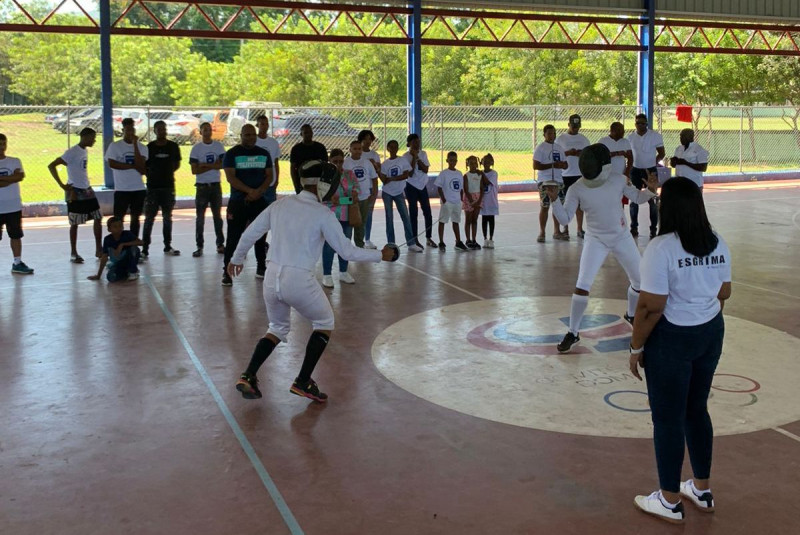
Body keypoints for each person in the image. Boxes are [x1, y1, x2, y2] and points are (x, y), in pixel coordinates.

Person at [228, 160, 397, 402]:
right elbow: (347, 252)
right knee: (324, 321)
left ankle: (248, 375)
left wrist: (236, 258)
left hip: (271, 278)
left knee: (276, 328)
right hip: (298, 280)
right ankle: (303, 380)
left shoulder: (280, 205)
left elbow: (251, 232)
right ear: (325, 185)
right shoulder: (322, 214)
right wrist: (381, 255)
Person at [630, 177, 731, 524]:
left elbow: (650, 308)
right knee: (696, 409)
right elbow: (724, 293)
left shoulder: (662, 248)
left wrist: (635, 346)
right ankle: (701, 489)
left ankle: (669, 499)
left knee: (668, 418)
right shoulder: (716, 241)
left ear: (667, 207)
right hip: (710, 333)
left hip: (673, 339)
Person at [549, 143, 659, 353]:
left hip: (621, 236)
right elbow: (565, 217)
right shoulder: (576, 188)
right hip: (595, 239)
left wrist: (651, 191)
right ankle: (573, 332)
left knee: (639, 281)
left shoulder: (618, 179)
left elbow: (637, 197)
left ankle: (631, 315)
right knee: (582, 285)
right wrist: (555, 201)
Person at [221, 124, 274, 287]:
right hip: (238, 202)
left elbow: (269, 176)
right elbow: (231, 178)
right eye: (247, 135)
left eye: (253, 135)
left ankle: (261, 267)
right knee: (233, 238)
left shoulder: (263, 153)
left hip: (259, 201)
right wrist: (250, 191)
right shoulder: (232, 154)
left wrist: (259, 192)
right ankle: (227, 272)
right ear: (241, 135)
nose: (250, 137)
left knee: (260, 236)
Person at [47, 127, 102, 263]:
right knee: (75, 223)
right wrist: (62, 185)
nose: (94, 140)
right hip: (75, 191)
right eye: (92, 137)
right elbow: (52, 165)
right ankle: (73, 252)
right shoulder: (72, 152)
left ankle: (98, 249)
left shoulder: (84, 151)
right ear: (85, 136)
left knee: (97, 217)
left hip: (86, 189)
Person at [142, 120, 181, 258]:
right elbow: (144, 166)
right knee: (149, 219)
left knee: (167, 217)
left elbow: (176, 164)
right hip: (153, 188)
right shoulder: (149, 147)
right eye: (159, 129)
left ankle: (167, 245)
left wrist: (166, 174)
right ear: (155, 131)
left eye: (164, 129)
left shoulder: (173, 146)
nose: (162, 131)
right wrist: (153, 175)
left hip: (168, 187)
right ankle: (145, 248)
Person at [321, 149, 360, 288]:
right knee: (329, 245)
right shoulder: (325, 177)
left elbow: (356, 193)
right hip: (331, 216)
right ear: (330, 161)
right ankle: (327, 274)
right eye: (335, 161)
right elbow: (329, 199)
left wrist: (342, 200)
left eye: (340, 161)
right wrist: (347, 199)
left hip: (347, 216)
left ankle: (343, 271)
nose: (338, 164)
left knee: (345, 243)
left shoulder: (349, 174)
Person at [106, 117, 148, 239]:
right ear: (123, 130)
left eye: (132, 130)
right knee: (118, 219)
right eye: (127, 130)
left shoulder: (142, 147)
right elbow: (112, 164)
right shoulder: (115, 146)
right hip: (121, 189)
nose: (130, 133)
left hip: (138, 189)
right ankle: (118, 243)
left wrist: (135, 145)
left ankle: (133, 243)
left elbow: (141, 167)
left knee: (135, 218)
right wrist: (132, 166)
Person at [189, 122, 226, 257]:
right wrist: (213, 165)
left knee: (217, 216)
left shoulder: (218, 146)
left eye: (209, 129)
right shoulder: (196, 149)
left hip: (215, 185)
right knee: (200, 218)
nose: (208, 132)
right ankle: (199, 246)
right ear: (200, 132)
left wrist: (204, 165)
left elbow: (223, 164)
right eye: (205, 130)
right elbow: (194, 170)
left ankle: (220, 244)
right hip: (202, 186)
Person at [0, 133, 33, 275]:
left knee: (15, 235)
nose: (2, 147)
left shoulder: (15, 161)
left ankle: (17, 262)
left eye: (4, 144)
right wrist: (10, 178)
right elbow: (15, 177)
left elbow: (20, 176)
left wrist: (4, 179)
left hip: (13, 206)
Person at [628, 113, 665, 239]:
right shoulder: (630, 137)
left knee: (652, 201)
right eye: (638, 123)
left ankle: (653, 229)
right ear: (635, 124)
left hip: (651, 171)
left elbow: (662, 153)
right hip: (635, 171)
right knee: (634, 200)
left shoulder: (655, 136)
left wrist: (652, 163)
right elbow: (629, 155)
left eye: (643, 123)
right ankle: (634, 228)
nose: (640, 125)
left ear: (647, 124)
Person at [379, 140, 420, 252]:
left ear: (397, 148)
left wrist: (392, 178)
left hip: (399, 193)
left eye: (395, 147)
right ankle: (391, 243)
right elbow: (384, 180)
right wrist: (378, 170)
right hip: (387, 193)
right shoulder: (385, 164)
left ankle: (411, 243)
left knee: (405, 216)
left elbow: (406, 175)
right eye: (391, 147)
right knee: (389, 218)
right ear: (388, 149)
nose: (393, 149)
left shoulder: (402, 160)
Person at [556, 114, 591, 239]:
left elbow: (589, 155)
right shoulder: (561, 139)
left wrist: (581, 154)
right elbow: (556, 154)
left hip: (579, 174)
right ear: (568, 125)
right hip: (565, 175)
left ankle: (579, 229)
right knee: (566, 202)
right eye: (573, 126)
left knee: (580, 204)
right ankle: (565, 229)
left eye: (577, 126)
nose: (575, 128)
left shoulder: (584, 139)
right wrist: (568, 153)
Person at [533, 124, 568, 242]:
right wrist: (552, 165)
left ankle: (557, 231)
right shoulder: (540, 148)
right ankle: (542, 232)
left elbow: (566, 164)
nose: (552, 135)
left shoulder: (559, 147)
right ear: (544, 135)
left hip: (558, 181)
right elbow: (535, 165)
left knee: (558, 206)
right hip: (545, 181)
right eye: (549, 133)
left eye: (553, 133)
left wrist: (562, 165)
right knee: (545, 206)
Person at [403, 133, 437, 250]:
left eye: (418, 141)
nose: (417, 144)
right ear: (409, 144)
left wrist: (417, 157)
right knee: (413, 212)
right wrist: (413, 158)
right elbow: (410, 173)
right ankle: (414, 238)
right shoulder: (405, 156)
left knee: (427, 211)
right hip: (411, 186)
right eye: (414, 142)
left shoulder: (423, 154)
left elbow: (426, 169)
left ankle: (428, 237)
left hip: (422, 185)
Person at [344, 140, 379, 249]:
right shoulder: (346, 162)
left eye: (359, 149)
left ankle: (359, 244)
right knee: (349, 221)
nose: (357, 151)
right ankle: (346, 245)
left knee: (362, 221)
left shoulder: (367, 163)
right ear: (350, 150)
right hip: (350, 198)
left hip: (364, 197)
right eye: (355, 149)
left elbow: (374, 178)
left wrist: (374, 193)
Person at [88, 216, 143, 283]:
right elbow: (104, 256)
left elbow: (141, 242)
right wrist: (98, 275)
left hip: (129, 259)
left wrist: (123, 244)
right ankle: (125, 271)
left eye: (120, 226)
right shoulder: (107, 239)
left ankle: (133, 271)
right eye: (115, 227)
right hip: (118, 262)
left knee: (134, 249)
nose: (118, 228)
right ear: (109, 229)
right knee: (111, 278)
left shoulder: (127, 234)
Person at [435, 152, 468, 252]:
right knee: (442, 221)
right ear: (447, 161)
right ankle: (441, 241)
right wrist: (444, 199)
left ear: (457, 161)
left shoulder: (459, 173)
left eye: (454, 160)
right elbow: (439, 187)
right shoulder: (444, 173)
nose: (453, 162)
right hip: (447, 202)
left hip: (457, 202)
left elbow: (461, 188)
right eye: (451, 160)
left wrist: (461, 199)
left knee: (456, 221)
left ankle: (458, 241)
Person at [289, 124, 327, 194]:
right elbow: (292, 169)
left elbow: (325, 166)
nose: (308, 134)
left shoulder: (320, 147)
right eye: (305, 132)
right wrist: (296, 187)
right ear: (301, 134)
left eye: (310, 132)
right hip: (303, 182)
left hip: (318, 181)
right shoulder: (296, 149)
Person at [359, 129, 381, 248]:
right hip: (358, 190)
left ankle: (367, 239)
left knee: (368, 214)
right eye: (365, 139)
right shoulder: (358, 154)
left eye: (370, 139)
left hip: (370, 188)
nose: (368, 141)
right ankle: (358, 239)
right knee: (356, 214)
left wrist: (375, 164)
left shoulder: (374, 155)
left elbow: (378, 171)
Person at [462, 155, 488, 250]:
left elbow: (482, 188)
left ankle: (474, 239)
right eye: (471, 163)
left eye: (475, 163)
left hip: (478, 198)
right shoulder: (466, 176)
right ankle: (468, 239)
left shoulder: (479, 174)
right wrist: (471, 200)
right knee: (468, 219)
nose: (473, 165)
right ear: (467, 164)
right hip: (469, 199)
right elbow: (466, 189)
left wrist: (479, 200)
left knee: (474, 219)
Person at [255, 115, 281, 191]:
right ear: (257, 125)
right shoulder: (253, 141)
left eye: (266, 124)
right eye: (262, 124)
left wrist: (276, 180)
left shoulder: (273, 142)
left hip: (271, 180)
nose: (265, 126)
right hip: (256, 180)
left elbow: (276, 163)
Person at [480, 153, 499, 249]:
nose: (486, 163)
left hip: (491, 201)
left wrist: (481, 173)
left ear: (492, 162)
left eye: (488, 161)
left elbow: (487, 182)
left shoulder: (493, 173)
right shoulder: (480, 173)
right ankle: (485, 238)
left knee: (491, 219)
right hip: (483, 201)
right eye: (484, 161)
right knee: (484, 220)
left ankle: (491, 238)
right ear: (481, 162)